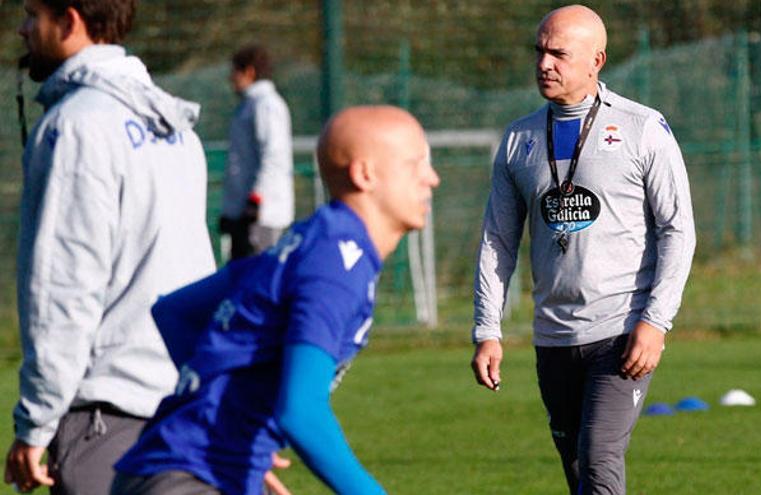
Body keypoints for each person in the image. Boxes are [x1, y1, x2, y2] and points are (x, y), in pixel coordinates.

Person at [111, 105, 440, 495]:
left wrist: (236, 428)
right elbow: (301, 412)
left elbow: (176, 314)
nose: (431, 179)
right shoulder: (337, 261)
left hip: (175, 469)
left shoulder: (310, 243)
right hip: (186, 479)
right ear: (364, 174)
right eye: (415, 164)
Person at [470, 5, 696, 495]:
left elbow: (678, 229)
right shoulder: (519, 139)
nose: (544, 64)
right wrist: (488, 330)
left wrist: (655, 322)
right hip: (553, 337)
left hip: (620, 331)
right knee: (578, 472)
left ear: (597, 60)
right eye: (540, 51)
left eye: (559, 54)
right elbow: (498, 241)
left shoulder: (642, 129)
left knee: (598, 460)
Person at [4, 0, 216, 494]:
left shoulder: (75, 126)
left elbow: (64, 290)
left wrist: (36, 422)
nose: (23, 29)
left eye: (34, 15)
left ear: (71, 21)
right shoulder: (174, 124)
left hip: (107, 417)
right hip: (185, 406)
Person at [219, 44, 295, 260]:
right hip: (245, 213)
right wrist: (231, 209)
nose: (230, 78)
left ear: (249, 72)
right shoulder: (249, 105)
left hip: (261, 216)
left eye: (235, 72)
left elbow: (274, 155)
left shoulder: (267, 105)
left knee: (258, 280)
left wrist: (256, 199)